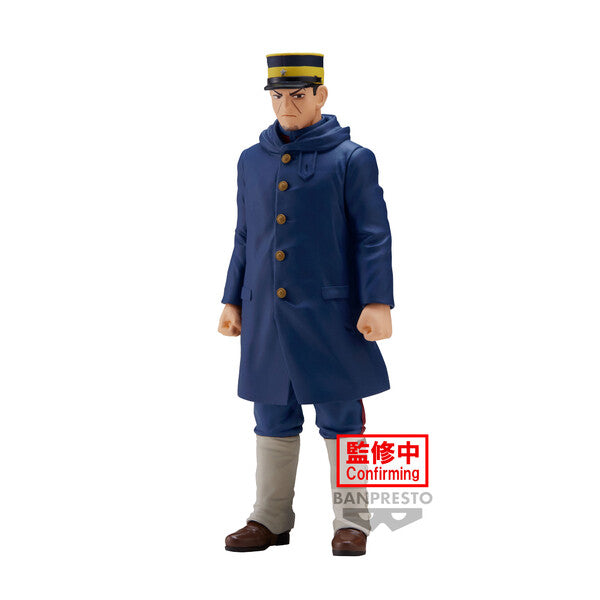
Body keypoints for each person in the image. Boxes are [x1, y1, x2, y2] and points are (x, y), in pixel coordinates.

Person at [218, 52, 394, 556]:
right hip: (266, 318)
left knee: (341, 416)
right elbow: (245, 235)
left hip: (331, 316)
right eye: (277, 95)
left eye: (297, 95)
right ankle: (269, 518)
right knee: (272, 415)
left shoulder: (352, 159)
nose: (286, 105)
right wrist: (232, 299)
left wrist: (377, 301)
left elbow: (372, 235)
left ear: (321, 95)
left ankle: (353, 520)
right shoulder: (251, 160)